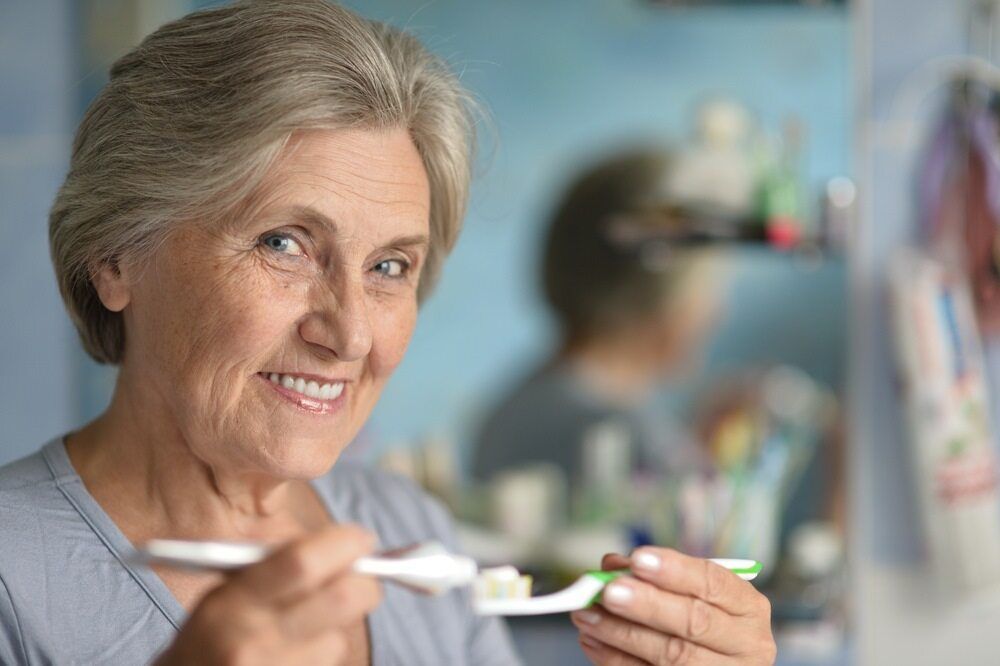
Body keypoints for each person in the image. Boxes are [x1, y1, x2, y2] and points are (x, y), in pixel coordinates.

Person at [0, 2, 776, 664]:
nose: (348, 335)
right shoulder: (13, 577)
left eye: (389, 267)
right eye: (284, 243)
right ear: (113, 258)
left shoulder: (408, 529)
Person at [473, 149, 723, 489]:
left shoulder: (506, 414)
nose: (718, 309)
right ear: (667, 302)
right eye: (711, 284)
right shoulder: (638, 441)